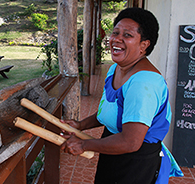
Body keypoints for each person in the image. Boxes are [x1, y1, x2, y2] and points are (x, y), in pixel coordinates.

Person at [60, 7, 182, 184]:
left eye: (127, 35)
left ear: (144, 45)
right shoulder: (115, 69)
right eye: (115, 32)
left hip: (135, 162)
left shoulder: (144, 82)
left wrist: (84, 144)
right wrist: (81, 125)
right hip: (113, 149)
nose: (116, 39)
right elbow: (109, 111)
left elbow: (131, 142)